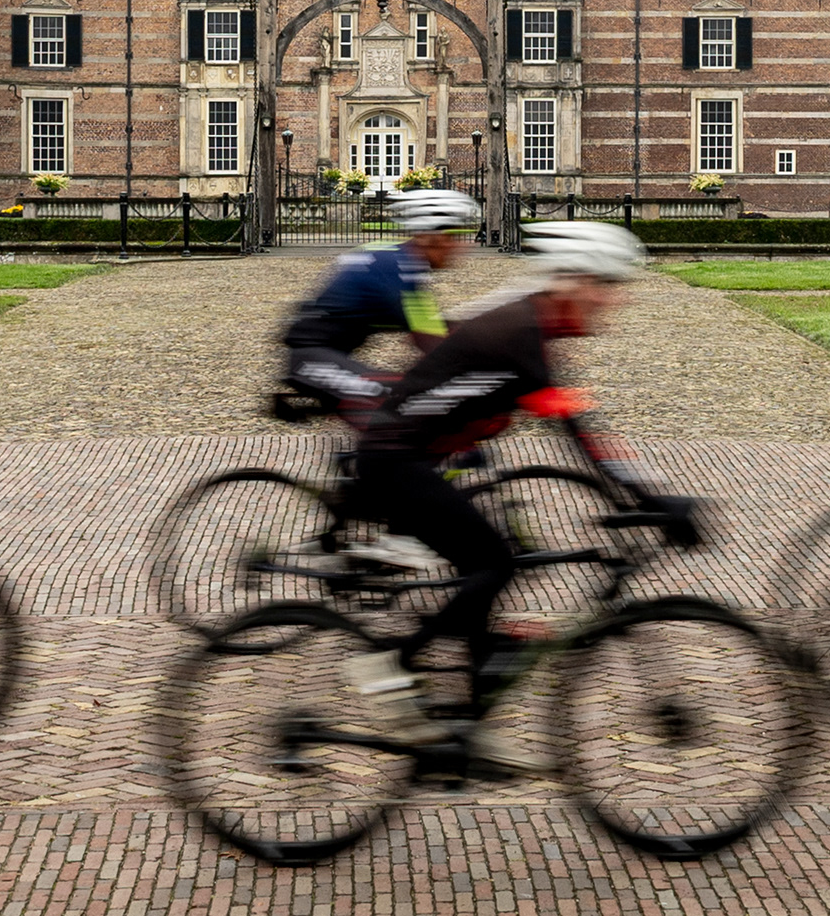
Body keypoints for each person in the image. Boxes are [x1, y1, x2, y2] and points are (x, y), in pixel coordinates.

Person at [341, 217, 698, 767]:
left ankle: (468, 724)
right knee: (494, 564)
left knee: (491, 567)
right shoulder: (521, 336)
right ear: (569, 281)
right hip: (396, 463)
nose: (612, 301)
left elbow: (575, 416)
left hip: (417, 457)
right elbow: (580, 430)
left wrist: (641, 494)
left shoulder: (531, 324)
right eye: (603, 286)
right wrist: (650, 499)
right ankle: (392, 664)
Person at [275, 186, 478, 421]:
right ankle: (364, 458)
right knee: (404, 401)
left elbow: (439, 329)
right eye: (453, 237)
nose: (460, 247)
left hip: (325, 356)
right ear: (429, 238)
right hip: (310, 361)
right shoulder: (398, 271)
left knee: (416, 395)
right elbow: (433, 341)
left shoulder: (400, 262)